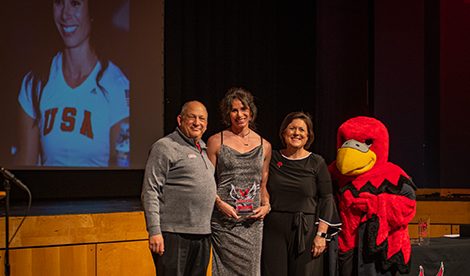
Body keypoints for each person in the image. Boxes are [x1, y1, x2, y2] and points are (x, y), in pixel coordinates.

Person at [14, 0, 129, 167]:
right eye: (59, 3)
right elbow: (26, 170)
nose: (65, 15)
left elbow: (121, 170)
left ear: (92, 13)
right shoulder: (35, 84)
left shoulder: (117, 86)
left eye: (75, 4)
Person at [328, 116, 416, 276]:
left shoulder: (393, 175)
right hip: (344, 247)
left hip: (375, 251)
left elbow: (409, 206)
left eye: (366, 142)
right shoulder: (333, 172)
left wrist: (375, 203)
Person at [261, 111, 341, 276]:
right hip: (273, 231)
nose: (296, 133)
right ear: (284, 133)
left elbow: (327, 199)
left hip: (306, 232)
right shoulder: (273, 157)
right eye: (292, 128)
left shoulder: (317, 162)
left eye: (302, 130)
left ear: (308, 136)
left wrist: (321, 235)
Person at [141, 101, 216, 276]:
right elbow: (150, 191)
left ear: (206, 124)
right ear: (180, 119)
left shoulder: (203, 149)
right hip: (174, 235)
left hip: (202, 234)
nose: (197, 122)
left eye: (202, 119)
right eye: (192, 117)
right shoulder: (165, 146)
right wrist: (154, 231)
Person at [206, 87, 272, 276]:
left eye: (243, 109)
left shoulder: (264, 145)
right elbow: (208, 182)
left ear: (251, 112)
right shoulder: (215, 141)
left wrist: (267, 206)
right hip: (224, 222)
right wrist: (220, 204)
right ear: (228, 113)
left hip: (252, 224)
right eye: (234, 110)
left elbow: (262, 185)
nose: (239, 114)